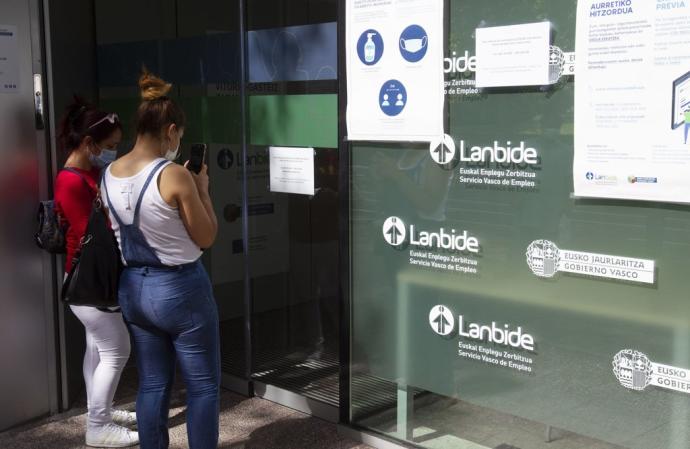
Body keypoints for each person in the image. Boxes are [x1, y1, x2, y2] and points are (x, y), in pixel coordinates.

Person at [102, 70, 220, 449]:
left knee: (153, 382)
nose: (178, 143)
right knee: (202, 387)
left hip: (134, 288)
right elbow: (206, 237)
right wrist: (202, 190)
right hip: (180, 288)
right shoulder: (173, 175)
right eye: (179, 136)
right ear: (170, 131)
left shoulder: (109, 172)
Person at [54, 97, 139, 448]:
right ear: (89, 144)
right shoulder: (71, 181)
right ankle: (98, 426)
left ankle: (99, 410)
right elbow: (97, 233)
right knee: (117, 350)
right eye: (110, 147)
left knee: (98, 349)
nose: (114, 153)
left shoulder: (89, 173)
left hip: (92, 281)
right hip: (90, 282)